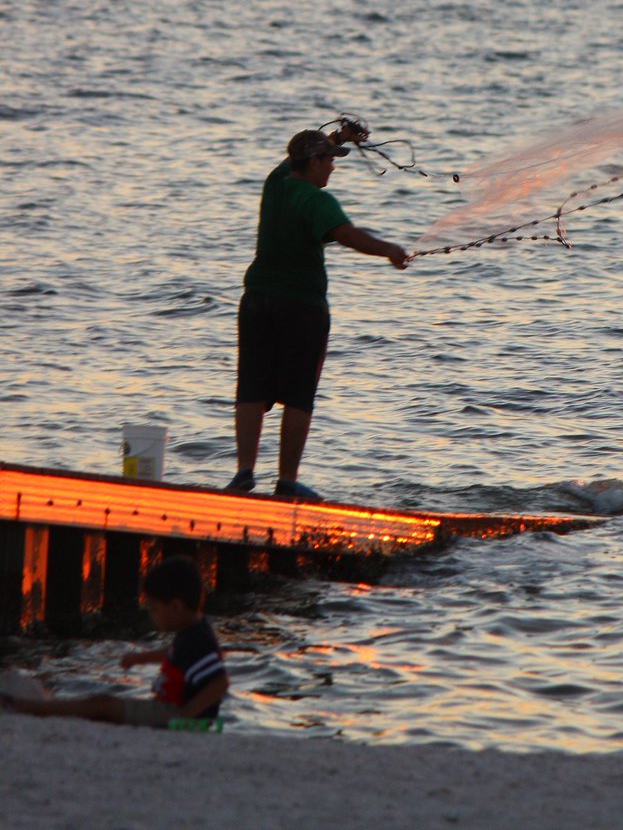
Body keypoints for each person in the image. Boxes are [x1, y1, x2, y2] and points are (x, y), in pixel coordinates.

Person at [227, 127, 408, 500]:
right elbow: (348, 235)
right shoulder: (316, 201)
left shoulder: (275, 184)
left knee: (251, 387)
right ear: (312, 164)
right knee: (298, 393)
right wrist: (390, 249)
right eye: (328, 161)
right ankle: (287, 482)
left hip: (256, 299)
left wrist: (338, 138)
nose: (332, 169)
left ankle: (244, 473)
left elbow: (291, 162)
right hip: (301, 306)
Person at [3, 556, 227, 728]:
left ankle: (28, 707)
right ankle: (41, 707)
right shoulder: (193, 631)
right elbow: (177, 652)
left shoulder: (199, 639)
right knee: (102, 708)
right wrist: (142, 658)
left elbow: (219, 683)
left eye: (155, 609)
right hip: (170, 708)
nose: (152, 615)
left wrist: (185, 716)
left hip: (174, 713)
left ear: (176, 607)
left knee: (102, 704)